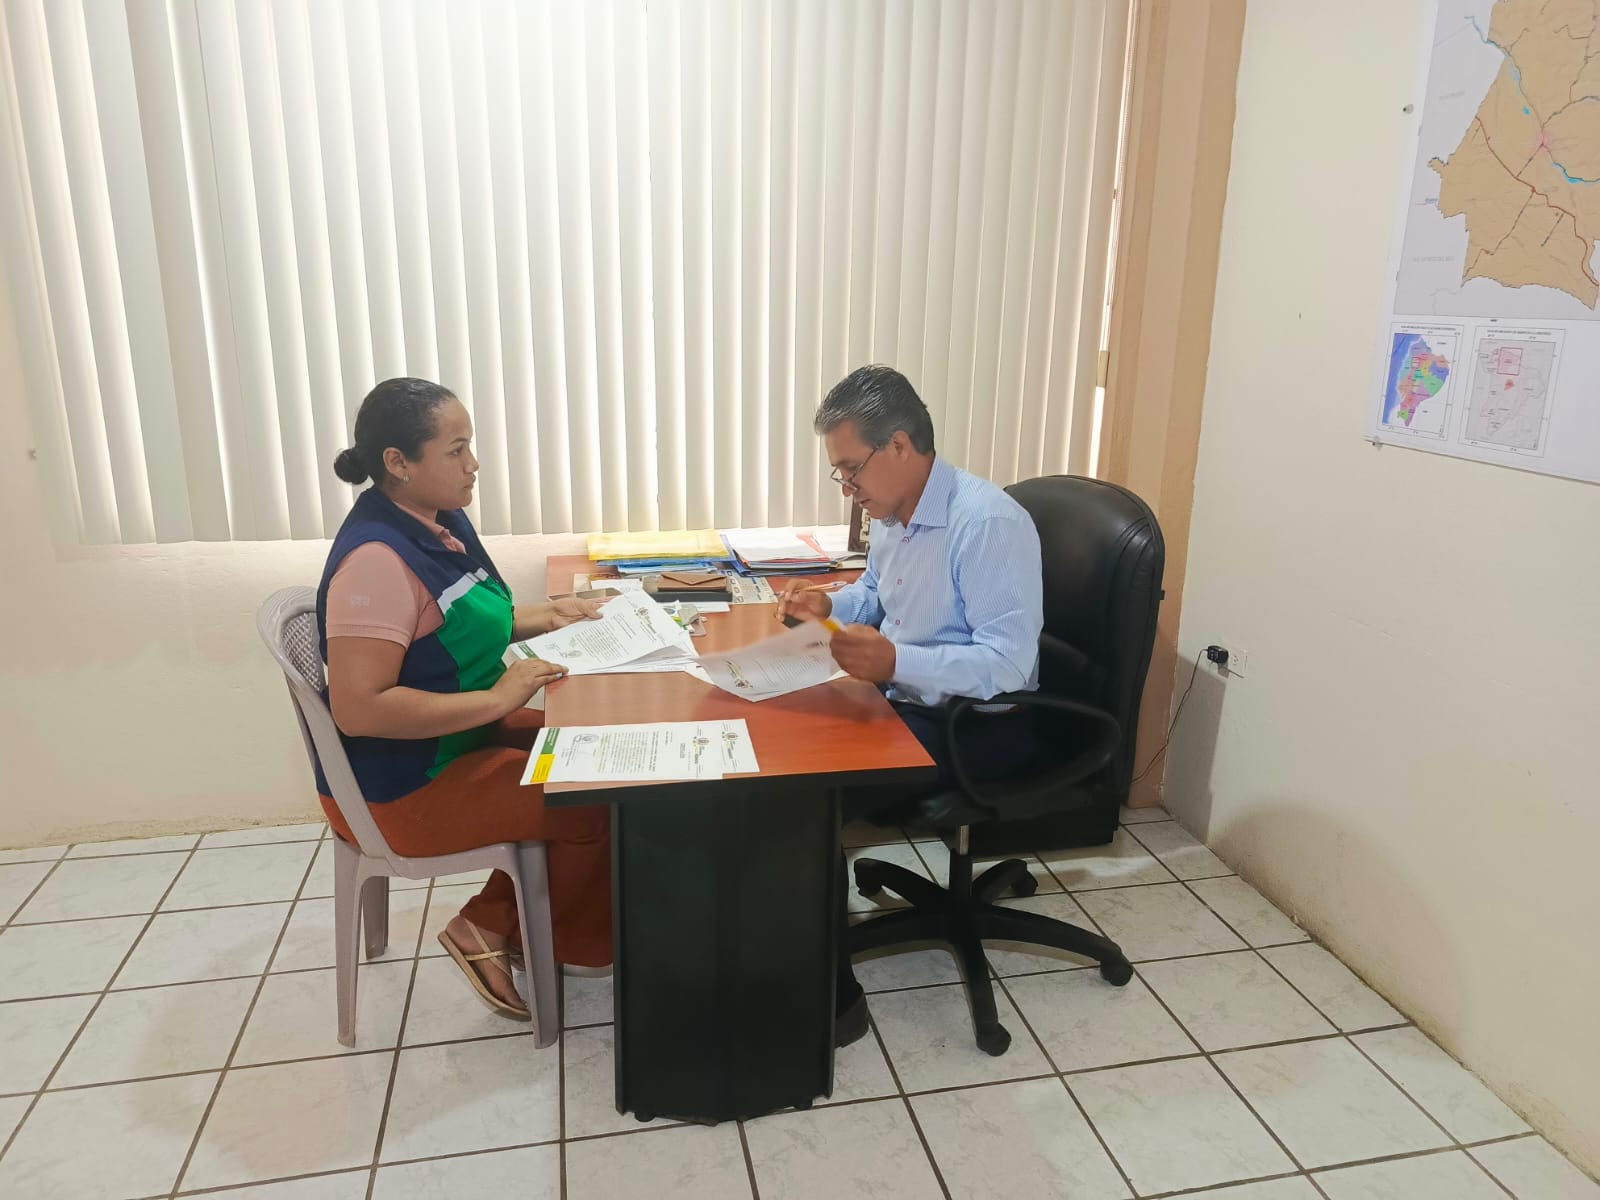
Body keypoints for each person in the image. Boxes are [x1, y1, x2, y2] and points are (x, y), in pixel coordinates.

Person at [316, 377, 611, 1020]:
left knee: (599, 753)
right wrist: (498, 700)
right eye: (456, 450)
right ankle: (501, 927)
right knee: (590, 801)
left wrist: (556, 614)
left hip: (454, 738)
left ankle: (526, 918)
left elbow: (465, 621)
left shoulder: (437, 521)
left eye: (469, 446)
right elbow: (359, 709)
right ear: (398, 463)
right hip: (402, 786)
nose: (473, 464)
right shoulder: (376, 561)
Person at [776, 364, 1044, 1047]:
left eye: (850, 469)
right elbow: (876, 594)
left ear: (899, 445)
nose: (848, 488)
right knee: (786, 759)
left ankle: (834, 1004)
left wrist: (897, 662)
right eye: (840, 473)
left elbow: (1008, 665)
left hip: (980, 726)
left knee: (808, 802)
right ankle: (772, 958)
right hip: (911, 702)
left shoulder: (986, 523)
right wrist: (830, 605)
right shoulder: (894, 514)